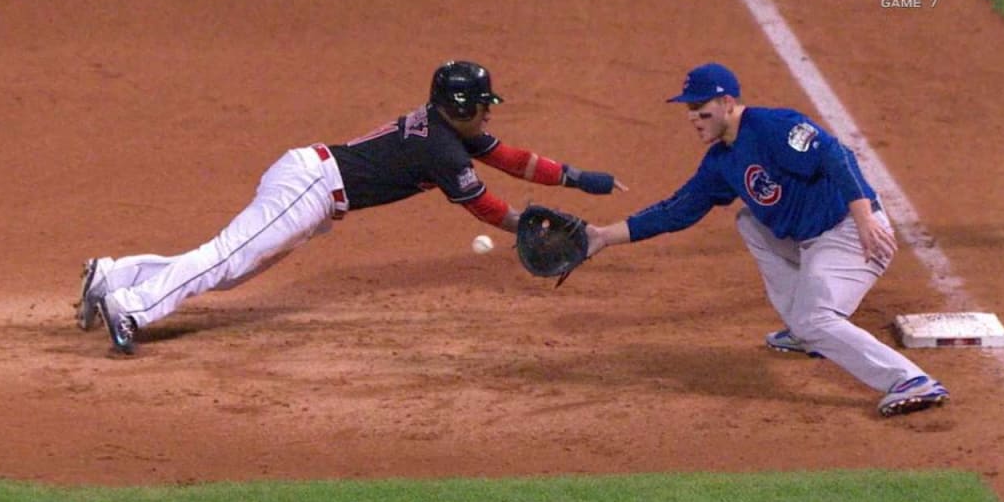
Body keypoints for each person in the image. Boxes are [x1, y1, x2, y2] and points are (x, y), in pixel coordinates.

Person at [76, 60, 627, 355]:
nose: (488, 112)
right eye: (482, 103)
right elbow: (483, 205)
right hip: (308, 188)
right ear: (460, 105)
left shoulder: (448, 129)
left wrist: (578, 179)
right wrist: (524, 227)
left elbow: (512, 158)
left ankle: (114, 275)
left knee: (229, 269)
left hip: (313, 189)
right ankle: (131, 307)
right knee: (226, 257)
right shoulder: (440, 146)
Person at [584, 62, 949, 417]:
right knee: (749, 220)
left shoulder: (773, 126)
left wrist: (865, 214)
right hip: (814, 240)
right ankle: (804, 331)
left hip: (852, 233)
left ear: (727, 103)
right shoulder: (721, 161)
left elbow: (836, 155)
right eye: (689, 109)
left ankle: (911, 380)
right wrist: (603, 236)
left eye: (700, 107)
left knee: (816, 319)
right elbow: (676, 211)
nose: (692, 116)